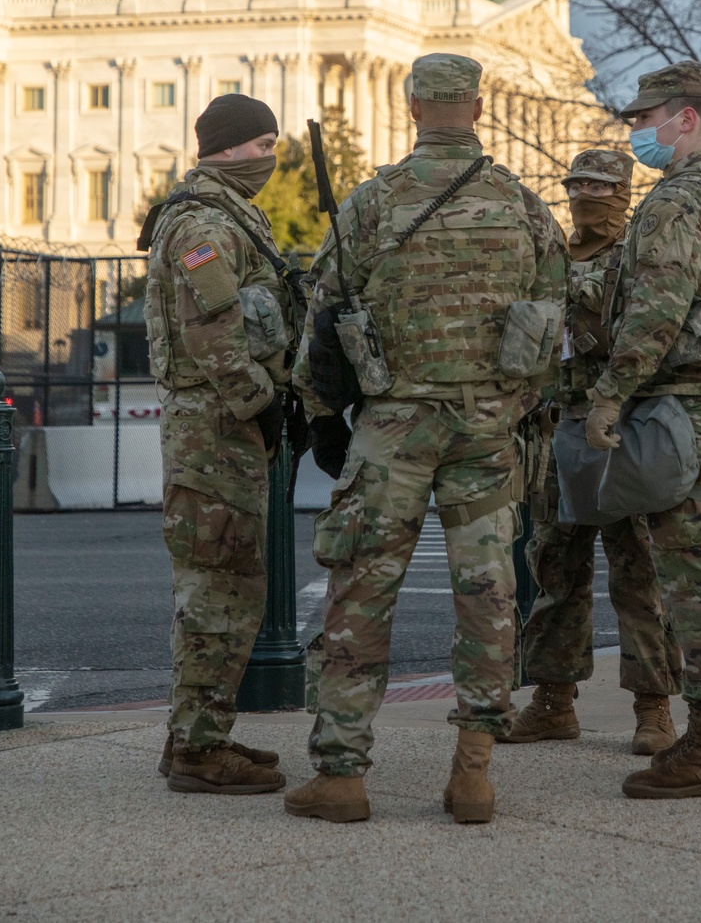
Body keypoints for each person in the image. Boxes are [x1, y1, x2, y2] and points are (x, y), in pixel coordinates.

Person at [283, 53, 567, 826]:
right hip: (484, 428)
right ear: (477, 107)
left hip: (394, 426)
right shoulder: (523, 204)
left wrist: (324, 417)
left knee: (362, 590)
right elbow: (550, 321)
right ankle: (473, 774)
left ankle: (341, 774)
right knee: (488, 595)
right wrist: (510, 405)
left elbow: (326, 320)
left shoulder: (372, 202)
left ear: (412, 108)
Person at [584, 61, 701, 800]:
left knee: (695, 579)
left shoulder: (679, 200)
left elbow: (655, 312)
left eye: (646, 116)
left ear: (685, 117)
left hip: (687, 406)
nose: (637, 131)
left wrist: (609, 394)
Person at [500, 148, 681, 755]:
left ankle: (654, 707)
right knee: (555, 570)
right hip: (559, 433)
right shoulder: (548, 258)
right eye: (577, 184)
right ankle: (552, 701)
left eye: (601, 186)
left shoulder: (638, 258)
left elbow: (652, 335)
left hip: (621, 430)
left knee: (638, 575)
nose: (587, 195)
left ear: (624, 192)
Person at [142, 93, 292, 795]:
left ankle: (196, 738)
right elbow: (212, 332)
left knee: (227, 582)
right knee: (219, 589)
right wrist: (258, 405)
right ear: (230, 148)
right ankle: (200, 751)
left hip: (214, 424)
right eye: (264, 145)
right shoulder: (203, 221)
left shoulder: (227, 213)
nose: (271, 158)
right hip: (215, 428)